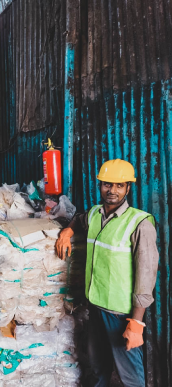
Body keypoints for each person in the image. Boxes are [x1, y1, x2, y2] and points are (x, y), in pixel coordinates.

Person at [55, 159, 158, 387]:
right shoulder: (94, 214)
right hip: (95, 305)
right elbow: (79, 220)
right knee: (97, 367)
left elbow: (146, 275)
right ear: (100, 185)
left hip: (120, 313)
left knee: (130, 376)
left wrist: (136, 323)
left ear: (128, 188)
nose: (112, 191)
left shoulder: (139, 223)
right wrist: (67, 231)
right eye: (107, 185)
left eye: (119, 185)